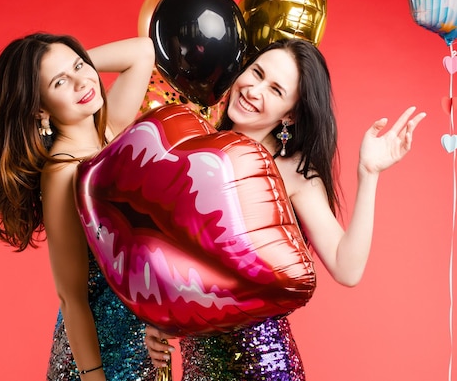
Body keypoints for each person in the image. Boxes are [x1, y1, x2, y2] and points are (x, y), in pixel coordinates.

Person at [144, 38, 426, 380]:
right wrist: (158, 320)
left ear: (289, 114)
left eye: (275, 90)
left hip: (264, 366)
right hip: (199, 365)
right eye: (257, 73)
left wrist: (368, 174)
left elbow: (346, 268)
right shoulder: (194, 150)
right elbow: (174, 262)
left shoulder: (292, 173)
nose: (254, 90)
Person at [0, 32, 157, 381]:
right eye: (60, 83)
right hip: (97, 357)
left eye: (79, 66)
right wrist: (93, 376)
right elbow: (71, 296)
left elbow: (143, 51)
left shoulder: (110, 134)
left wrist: (74, 68)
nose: (81, 82)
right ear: (39, 107)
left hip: (142, 347)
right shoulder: (63, 173)